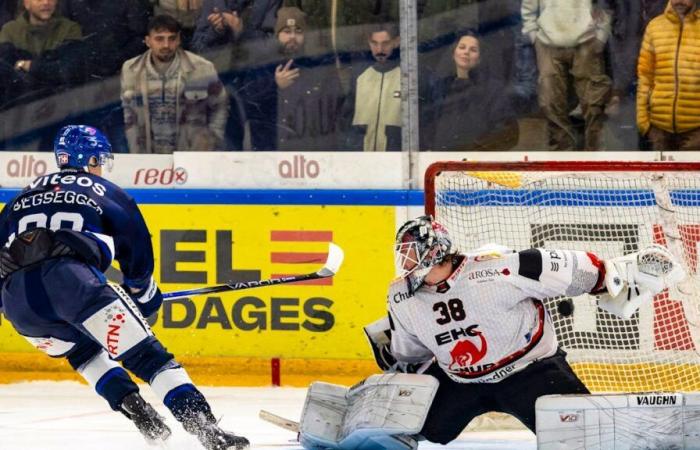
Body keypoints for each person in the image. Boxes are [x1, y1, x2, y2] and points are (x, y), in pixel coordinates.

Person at [0, 125, 249, 450]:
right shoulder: (103, 189)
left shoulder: (20, 197)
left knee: (83, 354)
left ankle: (133, 405)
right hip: (71, 284)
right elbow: (137, 253)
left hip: (16, 303)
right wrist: (144, 299)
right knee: (150, 358)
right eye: (100, 159)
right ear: (89, 159)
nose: (102, 166)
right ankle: (205, 429)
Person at [370, 215, 678, 444]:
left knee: (584, 437)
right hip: (459, 382)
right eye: (403, 254)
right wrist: (395, 357)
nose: (406, 263)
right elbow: (411, 352)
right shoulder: (402, 297)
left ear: (436, 251)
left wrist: (613, 276)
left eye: (412, 253)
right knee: (405, 426)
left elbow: (572, 267)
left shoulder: (499, 269)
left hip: (531, 372)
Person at [121, 14, 229, 153]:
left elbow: (220, 104)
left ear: (178, 39)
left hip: (192, 155)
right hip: (149, 157)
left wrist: (212, 141)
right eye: (159, 39)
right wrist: (136, 153)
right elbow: (129, 114)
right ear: (148, 41)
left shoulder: (202, 68)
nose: (166, 45)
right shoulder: (131, 70)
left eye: (171, 38)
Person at [522, 0, 612, 150]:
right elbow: (528, 9)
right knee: (551, 103)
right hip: (547, 43)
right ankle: (562, 159)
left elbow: (606, 5)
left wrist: (601, 36)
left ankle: (594, 161)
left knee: (593, 104)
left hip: (587, 40)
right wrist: (534, 36)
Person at [430, 33, 517, 151]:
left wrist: (478, 150)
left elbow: (508, 132)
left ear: (480, 58)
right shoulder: (441, 86)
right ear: (453, 53)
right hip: (440, 161)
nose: (466, 52)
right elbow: (430, 126)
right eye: (462, 47)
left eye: (473, 50)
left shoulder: (492, 89)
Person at [637, 0, 700, 150]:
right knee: (661, 174)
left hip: (696, 131)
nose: (679, 1)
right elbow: (645, 76)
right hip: (659, 129)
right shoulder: (655, 27)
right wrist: (643, 122)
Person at [344, 23, 401, 151]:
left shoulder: (409, 77)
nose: (379, 49)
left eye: (385, 43)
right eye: (374, 43)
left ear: (397, 42)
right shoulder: (359, 77)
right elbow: (346, 119)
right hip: (362, 160)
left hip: (396, 161)